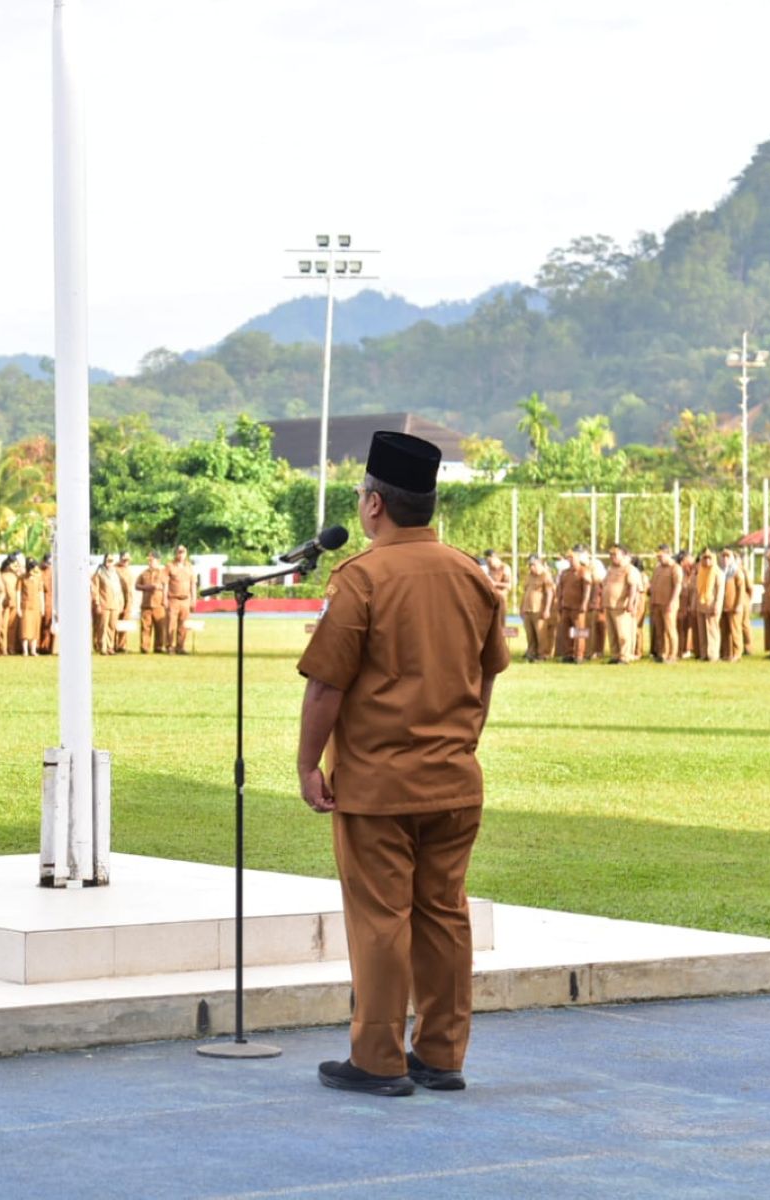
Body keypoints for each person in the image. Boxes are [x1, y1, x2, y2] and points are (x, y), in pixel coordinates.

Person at [296, 431, 508, 1097]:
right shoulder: (471, 574)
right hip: (452, 778)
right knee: (443, 914)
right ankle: (442, 1053)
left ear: (375, 506)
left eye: (362, 496)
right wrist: (462, 739)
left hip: (379, 784)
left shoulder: (362, 578)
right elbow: (488, 672)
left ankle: (380, 1058)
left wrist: (308, 764)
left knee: (381, 919)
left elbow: (327, 685)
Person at [552, 547, 593, 663]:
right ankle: (568, 654)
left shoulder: (584, 571)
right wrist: (559, 602)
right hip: (566, 607)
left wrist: (584, 603)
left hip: (578, 607)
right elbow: (560, 589)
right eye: (568, 558)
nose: (570, 560)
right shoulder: (565, 573)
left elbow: (587, 589)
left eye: (572, 558)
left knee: (579, 632)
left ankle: (579, 654)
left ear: (578, 559)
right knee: (565, 631)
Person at [647, 546, 682, 663]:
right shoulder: (658, 569)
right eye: (658, 556)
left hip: (668, 604)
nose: (659, 559)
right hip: (657, 603)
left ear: (668, 554)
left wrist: (672, 602)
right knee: (659, 630)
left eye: (661, 556)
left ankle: (673, 654)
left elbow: (678, 586)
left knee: (670, 629)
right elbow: (653, 585)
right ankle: (662, 653)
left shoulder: (675, 568)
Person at [518, 554, 553, 662]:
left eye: (533, 565)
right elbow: (525, 592)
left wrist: (547, 609)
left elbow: (549, 593)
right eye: (530, 565)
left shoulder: (545, 575)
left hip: (539, 609)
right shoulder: (529, 576)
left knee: (541, 633)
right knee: (530, 633)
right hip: (528, 609)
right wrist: (521, 607)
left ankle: (542, 654)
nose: (531, 567)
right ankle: (531, 652)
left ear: (539, 564)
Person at [718, 548, 749, 662]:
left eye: (728, 557)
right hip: (724, 606)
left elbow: (741, 590)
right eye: (723, 557)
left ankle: (737, 653)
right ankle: (727, 653)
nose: (725, 559)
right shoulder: (721, 571)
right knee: (725, 631)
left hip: (734, 606)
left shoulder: (737, 572)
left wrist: (738, 605)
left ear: (732, 559)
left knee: (735, 631)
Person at [134, 552, 168, 653]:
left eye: (151, 560)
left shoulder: (163, 573)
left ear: (157, 561)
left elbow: (166, 586)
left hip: (159, 604)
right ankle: (145, 647)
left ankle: (159, 647)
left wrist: (165, 599)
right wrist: (147, 587)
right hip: (146, 604)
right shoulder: (143, 573)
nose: (149, 562)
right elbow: (136, 586)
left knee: (160, 627)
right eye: (149, 560)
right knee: (145, 627)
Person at [165, 546, 196, 654]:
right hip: (173, 599)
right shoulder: (170, 566)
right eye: (179, 552)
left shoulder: (189, 566)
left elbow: (193, 584)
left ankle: (180, 646)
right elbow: (165, 584)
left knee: (183, 624)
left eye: (183, 552)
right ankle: (169, 646)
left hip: (185, 599)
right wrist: (165, 599)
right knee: (171, 624)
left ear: (186, 553)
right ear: (176, 553)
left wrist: (193, 599)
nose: (181, 554)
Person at [89, 555, 122, 655]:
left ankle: (110, 647)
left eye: (111, 561)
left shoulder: (115, 573)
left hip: (115, 604)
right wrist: (97, 603)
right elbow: (95, 590)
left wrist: (120, 602)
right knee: (102, 627)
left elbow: (119, 590)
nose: (110, 563)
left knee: (112, 627)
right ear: (104, 561)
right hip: (104, 604)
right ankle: (102, 647)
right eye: (108, 560)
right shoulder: (99, 574)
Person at [693, 549, 721, 662]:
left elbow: (720, 591)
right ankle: (704, 654)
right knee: (702, 631)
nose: (707, 561)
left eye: (709, 558)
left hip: (711, 604)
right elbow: (697, 590)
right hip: (701, 604)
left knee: (712, 630)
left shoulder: (717, 572)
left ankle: (713, 655)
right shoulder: (701, 572)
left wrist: (717, 605)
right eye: (705, 558)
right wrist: (694, 603)